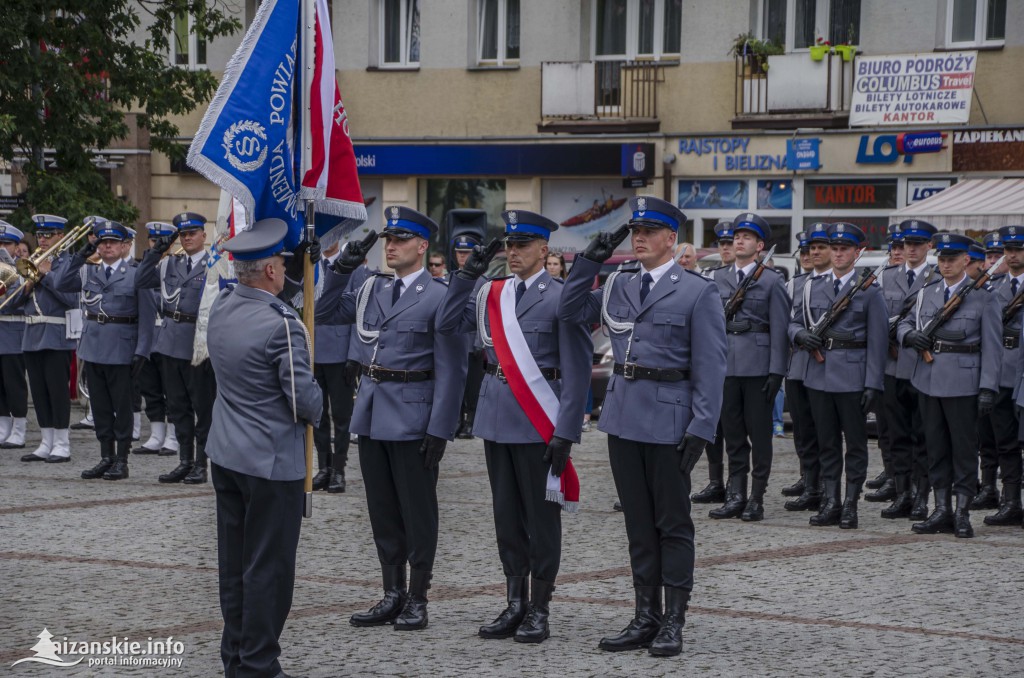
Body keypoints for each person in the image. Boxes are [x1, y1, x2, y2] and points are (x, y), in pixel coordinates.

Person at [558, 196, 726, 657]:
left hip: (672, 418)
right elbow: (570, 310)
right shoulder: (617, 283)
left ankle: (673, 620)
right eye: (635, 231)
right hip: (624, 414)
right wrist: (590, 258)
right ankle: (644, 614)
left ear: (671, 238)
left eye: (649, 231)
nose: (640, 239)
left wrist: (703, 426)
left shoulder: (697, 290)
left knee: (672, 524)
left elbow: (712, 365)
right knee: (637, 525)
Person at [437, 210, 590, 643]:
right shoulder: (492, 292)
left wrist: (567, 429)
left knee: (541, 520)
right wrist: (467, 276)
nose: (513, 252)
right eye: (509, 245)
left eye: (522, 245)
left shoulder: (561, 295)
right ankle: (514, 603)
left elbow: (577, 369)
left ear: (544, 250)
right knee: (506, 517)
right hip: (497, 415)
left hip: (539, 420)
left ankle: (539, 608)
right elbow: (448, 323)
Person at [316, 206, 466, 631]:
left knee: (417, 511)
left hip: (415, 414)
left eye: (401, 240)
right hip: (373, 411)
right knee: (382, 509)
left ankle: (418, 596)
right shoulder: (372, 290)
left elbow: (452, 369)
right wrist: (342, 269)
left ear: (422, 247)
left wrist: (441, 428)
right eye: (389, 240)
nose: (393, 247)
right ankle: (391, 592)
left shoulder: (440, 295)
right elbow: (326, 310)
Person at [205, 218, 322, 678]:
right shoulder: (284, 326)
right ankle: (259, 663)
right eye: (281, 264)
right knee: (268, 570)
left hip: (228, 454)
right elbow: (302, 400)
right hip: (272, 463)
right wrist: (322, 400)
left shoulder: (223, 308)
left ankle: (235, 656)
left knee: (234, 564)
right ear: (273, 270)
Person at [897, 232, 1000, 538]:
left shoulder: (984, 297)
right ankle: (941, 509)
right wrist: (908, 336)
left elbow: (992, 348)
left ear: (965, 260)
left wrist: (987, 388)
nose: (945, 264)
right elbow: (903, 322)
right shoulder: (927, 292)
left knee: (965, 450)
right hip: (928, 380)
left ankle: (962, 511)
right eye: (941, 259)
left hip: (964, 382)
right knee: (935, 447)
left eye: (952, 259)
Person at [791, 223, 887, 528]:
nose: (838, 254)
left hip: (853, 377)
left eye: (845, 249)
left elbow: (878, 341)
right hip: (818, 375)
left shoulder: (870, 292)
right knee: (826, 443)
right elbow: (792, 322)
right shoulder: (811, 287)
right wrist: (801, 335)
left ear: (857, 253)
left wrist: (873, 382)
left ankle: (850, 504)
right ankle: (831, 501)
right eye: (835, 248)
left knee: (856, 445)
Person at [52, 220, 150, 480]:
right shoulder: (87, 271)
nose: (107, 246)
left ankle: (122, 459)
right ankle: (105, 456)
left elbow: (147, 316)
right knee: (101, 406)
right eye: (102, 242)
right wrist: (81, 254)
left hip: (121, 347)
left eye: (112, 242)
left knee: (122, 406)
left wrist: (142, 350)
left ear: (124, 246)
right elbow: (60, 283)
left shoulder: (136, 273)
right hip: (93, 346)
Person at [708, 213, 789, 522]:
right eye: (736, 236)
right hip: (726, 366)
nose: (738, 240)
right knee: (733, 435)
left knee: (760, 436)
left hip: (758, 368)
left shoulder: (771, 280)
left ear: (759, 245)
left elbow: (780, 329)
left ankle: (756, 497)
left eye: (746, 237)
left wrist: (776, 372)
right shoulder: (718, 278)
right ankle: (735, 494)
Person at [135, 212, 218, 484]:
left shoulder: (213, 265)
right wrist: (156, 251)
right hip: (170, 343)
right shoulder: (169, 263)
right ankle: (184, 460)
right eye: (183, 234)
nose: (187, 238)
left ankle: (201, 464)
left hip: (198, 344)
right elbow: (141, 280)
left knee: (202, 407)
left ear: (204, 236)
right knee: (178, 407)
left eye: (192, 233)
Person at [879, 219, 938, 521]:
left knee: (923, 435)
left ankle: (921, 496)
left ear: (930, 246)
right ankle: (902, 494)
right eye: (905, 244)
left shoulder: (937, 278)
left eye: (917, 243)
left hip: (922, 365)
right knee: (897, 434)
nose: (910, 249)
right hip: (892, 366)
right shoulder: (887, 277)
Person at [14, 215, 79, 463]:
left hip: (56, 335)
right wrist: (28, 286)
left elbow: (73, 300)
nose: (42, 239)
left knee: (56, 391)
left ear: (60, 237)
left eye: (48, 235)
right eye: (40, 235)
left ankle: (62, 442)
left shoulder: (68, 263)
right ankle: (46, 441)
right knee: (39, 392)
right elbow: (16, 304)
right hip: (31, 336)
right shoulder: (32, 261)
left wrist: (46, 276)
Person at [310, 240, 372, 494]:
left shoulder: (356, 269)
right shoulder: (311, 265)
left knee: (342, 416)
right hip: (313, 350)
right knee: (316, 414)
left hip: (340, 352)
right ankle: (323, 466)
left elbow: (361, 313)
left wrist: (355, 356)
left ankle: (338, 469)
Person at [976, 225, 1024, 526]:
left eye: (1018, 250)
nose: (1012, 255)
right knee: (1003, 442)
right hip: (1004, 374)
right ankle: (1011, 501)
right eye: (1008, 250)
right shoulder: (995, 287)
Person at [783, 225, 831, 510]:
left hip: (825, 365)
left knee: (823, 430)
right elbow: (785, 320)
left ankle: (825, 485)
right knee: (802, 430)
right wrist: (796, 334)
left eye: (816, 248)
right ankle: (810, 481)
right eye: (805, 250)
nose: (809, 255)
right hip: (798, 364)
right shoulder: (796, 284)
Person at [690, 220, 736, 505]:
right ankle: (715, 481)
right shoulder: (707, 278)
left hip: (739, 363)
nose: (726, 248)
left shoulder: (754, 277)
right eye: (722, 244)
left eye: (730, 243)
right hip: (708, 364)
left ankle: (737, 486)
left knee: (734, 431)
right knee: (713, 429)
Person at [132, 222, 179, 456]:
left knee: (172, 390)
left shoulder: (177, 267)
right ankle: (156, 434)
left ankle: (172, 436)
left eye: (162, 241)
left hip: (169, 335)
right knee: (150, 389)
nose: (156, 244)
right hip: (148, 337)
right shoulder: (144, 268)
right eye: (152, 240)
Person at [0, 222, 28, 449]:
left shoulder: (23, 268)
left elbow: (17, 301)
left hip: (14, 332)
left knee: (14, 383)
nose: (2, 248)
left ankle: (19, 428)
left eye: (6, 244)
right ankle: (3, 427)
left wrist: (11, 268)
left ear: (17, 247)